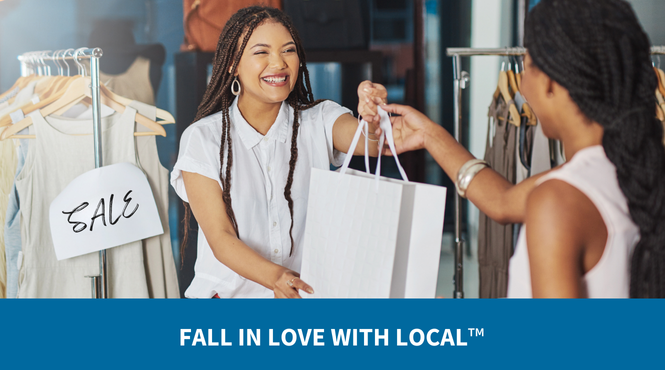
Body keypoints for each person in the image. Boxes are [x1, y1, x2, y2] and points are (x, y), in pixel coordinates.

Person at [358, 0, 665, 298]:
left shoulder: (559, 201)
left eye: (527, 67)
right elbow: (503, 202)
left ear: (549, 85)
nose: (520, 85)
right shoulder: (639, 167)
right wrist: (429, 135)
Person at [171, 6, 380, 298]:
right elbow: (220, 237)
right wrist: (277, 278)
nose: (279, 63)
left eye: (288, 51)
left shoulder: (319, 119)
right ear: (233, 63)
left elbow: (369, 141)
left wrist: (371, 116)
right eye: (261, 52)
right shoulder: (203, 138)